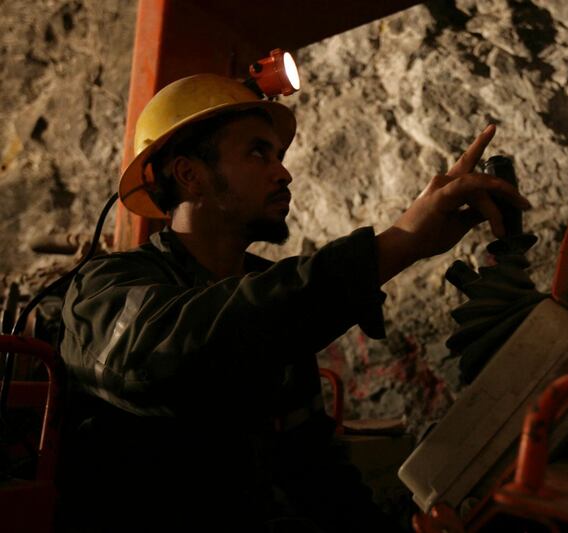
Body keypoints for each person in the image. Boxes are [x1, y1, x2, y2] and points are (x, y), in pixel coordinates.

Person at [57, 74, 530, 532]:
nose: (283, 171)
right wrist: (397, 243)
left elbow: (310, 465)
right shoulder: (105, 287)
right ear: (189, 174)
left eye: (279, 154)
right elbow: (170, 356)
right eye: (258, 152)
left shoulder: (273, 300)